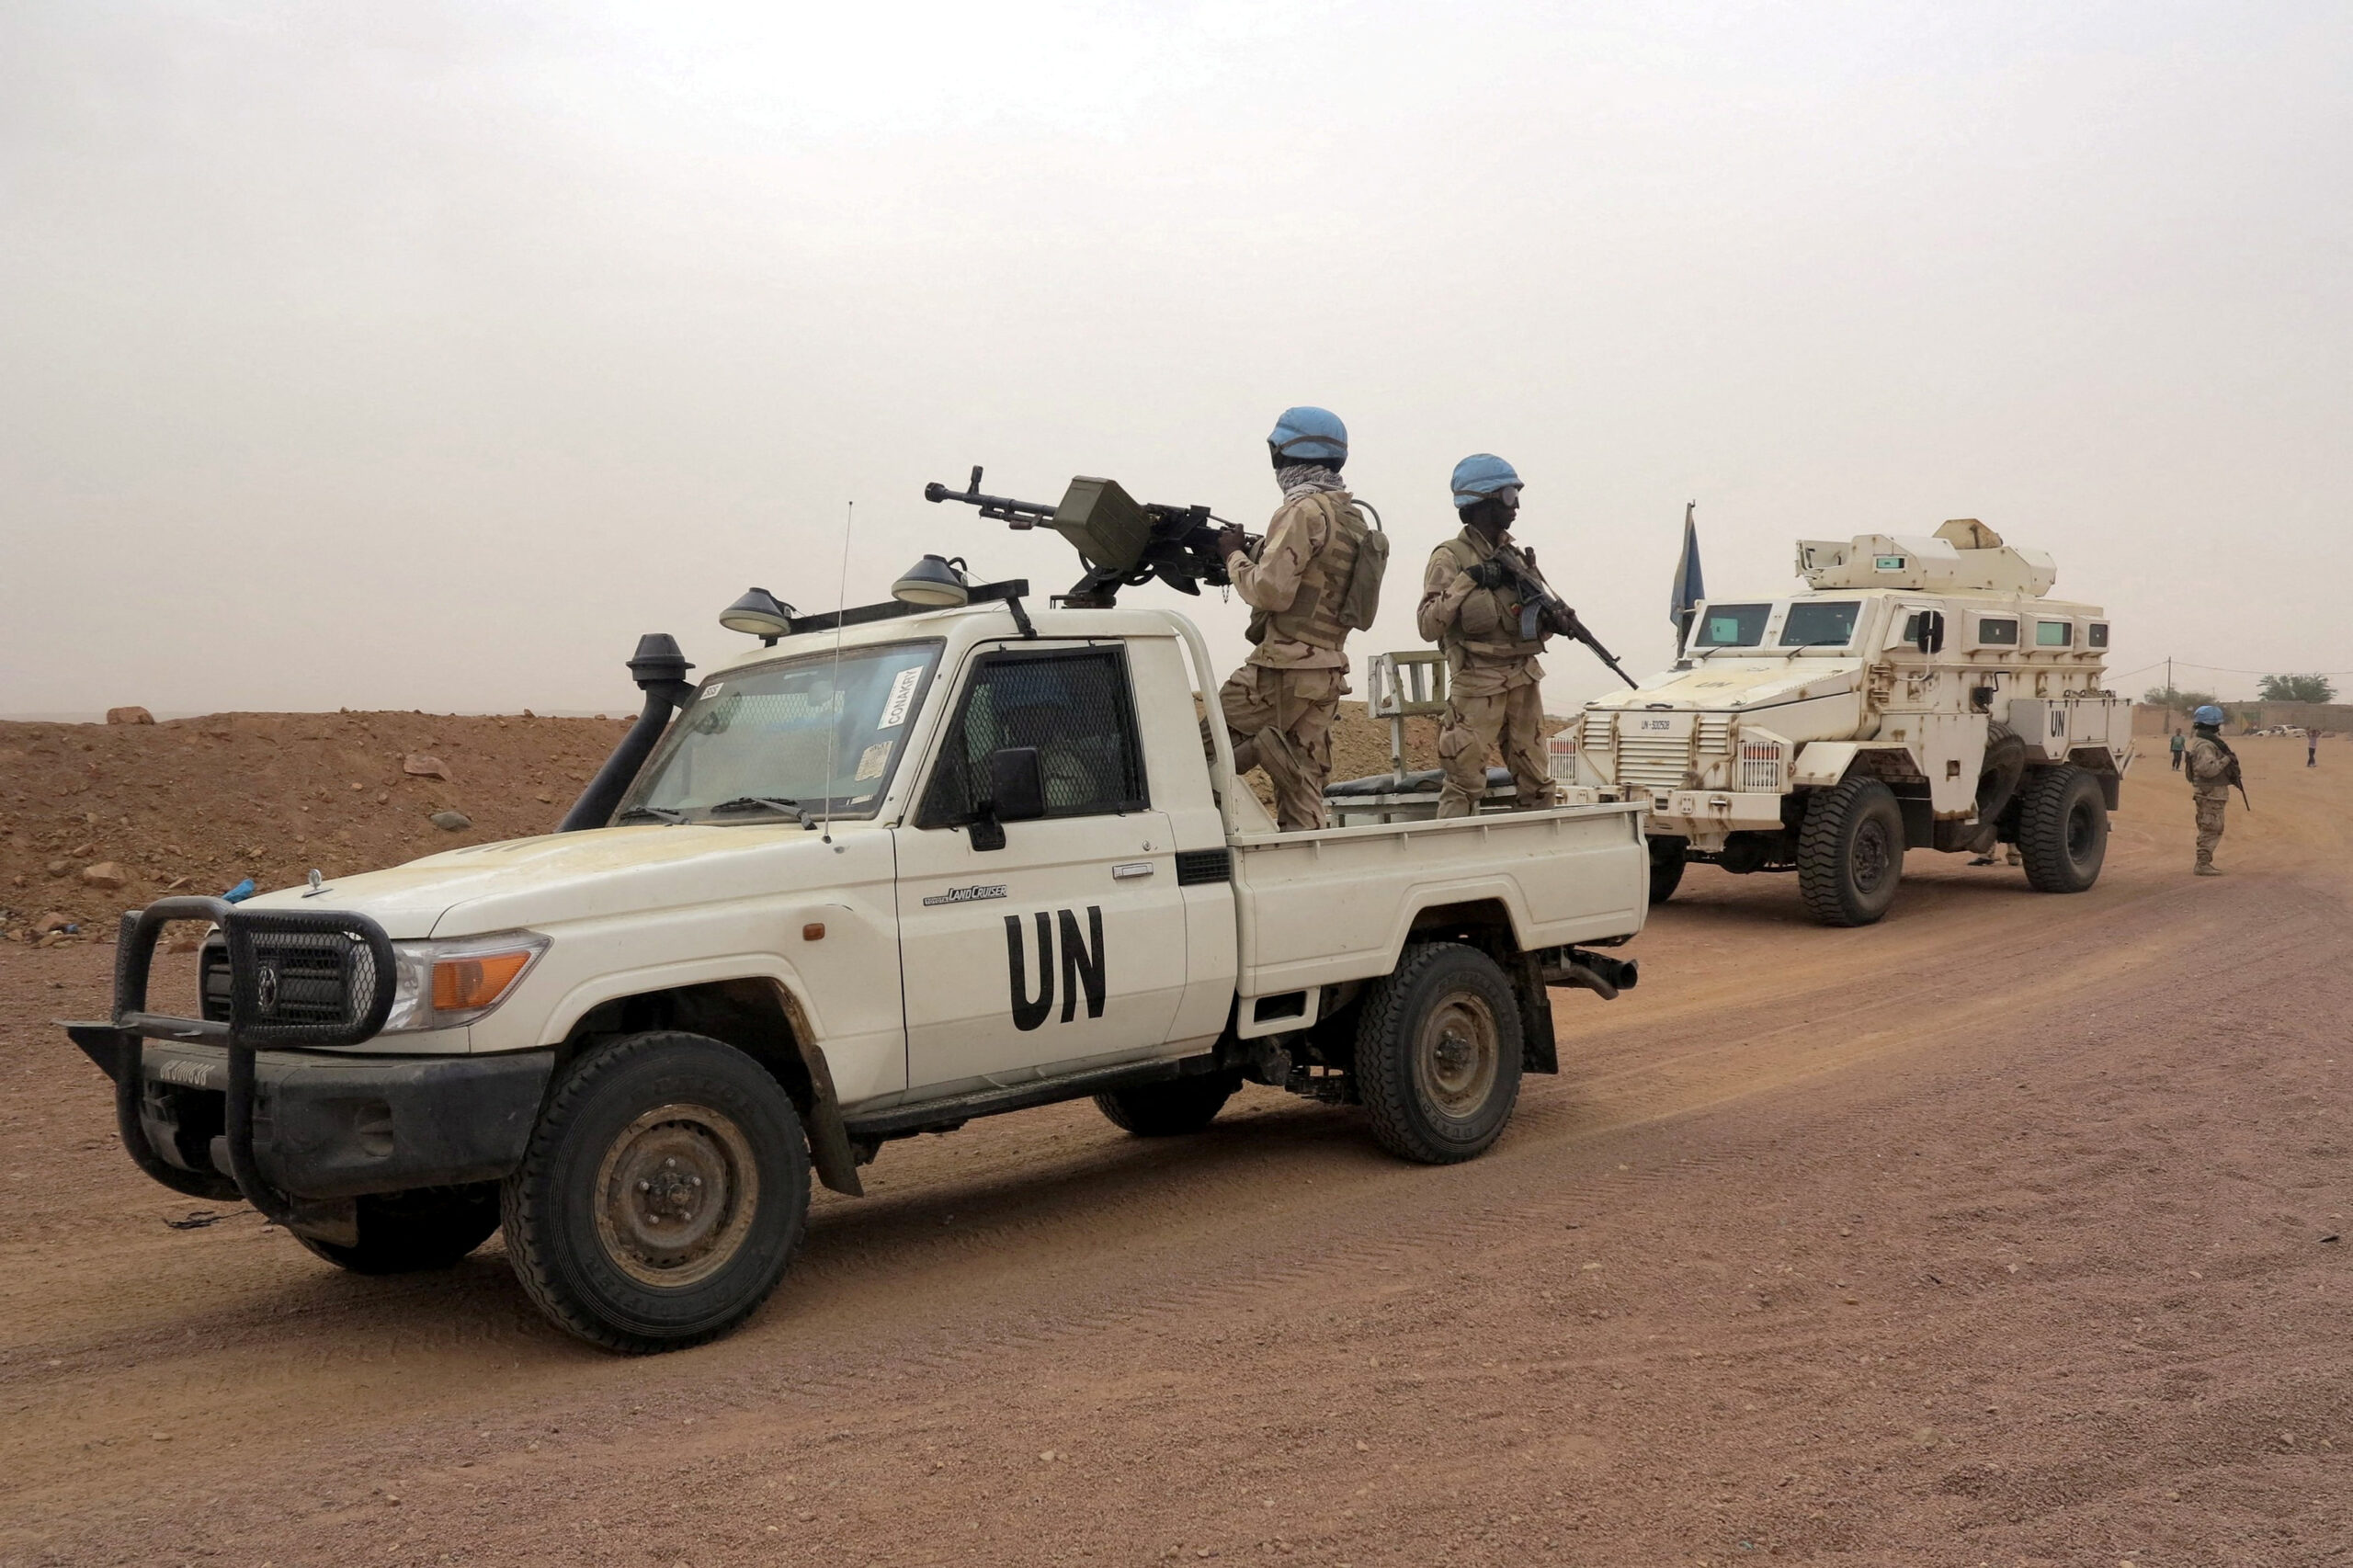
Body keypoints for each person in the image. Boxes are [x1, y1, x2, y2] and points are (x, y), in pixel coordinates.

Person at [1208, 405, 1376, 830]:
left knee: (1197, 755)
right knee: (1303, 791)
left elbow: (1270, 591)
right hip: (1326, 671)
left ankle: (1262, 748)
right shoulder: (1352, 518)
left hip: (1281, 669)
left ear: (1283, 454)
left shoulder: (1302, 511)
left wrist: (1232, 556)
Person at [1415, 454, 1572, 818]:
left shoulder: (1514, 556)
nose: (1515, 505)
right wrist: (1469, 579)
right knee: (1465, 783)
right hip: (1477, 682)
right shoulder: (1450, 557)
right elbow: (1427, 625)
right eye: (1507, 495)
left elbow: (1529, 616)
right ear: (1482, 501)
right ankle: (1452, 861)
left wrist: (1556, 621)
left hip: (1522, 676)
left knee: (1537, 783)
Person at [2184, 704, 2238, 876]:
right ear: (2214, 725)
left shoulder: (2204, 742)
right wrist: (2226, 761)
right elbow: (2207, 770)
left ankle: (2204, 862)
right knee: (2211, 828)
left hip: (2210, 793)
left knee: (2209, 827)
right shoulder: (2206, 745)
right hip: (2211, 794)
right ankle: (2203, 864)